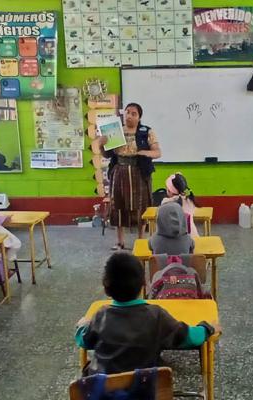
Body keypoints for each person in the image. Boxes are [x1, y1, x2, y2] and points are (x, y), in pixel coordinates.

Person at [74, 252, 217, 375]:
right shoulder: (156, 315)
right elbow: (189, 337)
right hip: (144, 388)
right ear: (143, 284)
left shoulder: (100, 316)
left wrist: (82, 326)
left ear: (106, 288)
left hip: (103, 391)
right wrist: (207, 328)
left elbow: (83, 341)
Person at [96, 103, 161, 250]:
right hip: (119, 171)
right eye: (127, 112)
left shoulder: (146, 131)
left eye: (133, 113)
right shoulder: (115, 131)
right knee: (118, 205)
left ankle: (141, 240)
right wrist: (101, 145)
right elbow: (107, 154)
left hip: (140, 172)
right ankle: (120, 241)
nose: (129, 116)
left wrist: (145, 153)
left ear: (139, 117)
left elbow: (157, 152)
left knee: (141, 205)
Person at [161, 172, 200, 237]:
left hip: (173, 239)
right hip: (193, 237)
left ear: (169, 191)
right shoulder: (190, 201)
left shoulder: (165, 202)